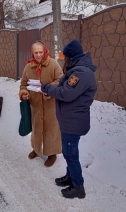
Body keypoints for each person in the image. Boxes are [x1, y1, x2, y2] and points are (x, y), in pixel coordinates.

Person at [41, 39, 97, 198]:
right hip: (71, 120)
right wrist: (53, 89)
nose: (64, 59)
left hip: (73, 122)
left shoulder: (81, 73)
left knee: (70, 154)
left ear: (71, 57)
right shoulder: (79, 70)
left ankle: (78, 186)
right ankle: (70, 176)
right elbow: (65, 89)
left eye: (65, 57)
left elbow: (66, 93)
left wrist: (45, 87)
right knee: (69, 152)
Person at [19, 40, 63, 167]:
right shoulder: (28, 67)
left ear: (44, 51)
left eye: (40, 52)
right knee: (36, 128)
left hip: (51, 105)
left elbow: (60, 80)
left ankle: (52, 153)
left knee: (51, 129)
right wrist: (24, 93)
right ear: (32, 53)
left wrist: (48, 88)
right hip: (35, 105)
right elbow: (23, 84)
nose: (38, 55)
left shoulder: (53, 64)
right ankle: (36, 149)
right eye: (36, 52)